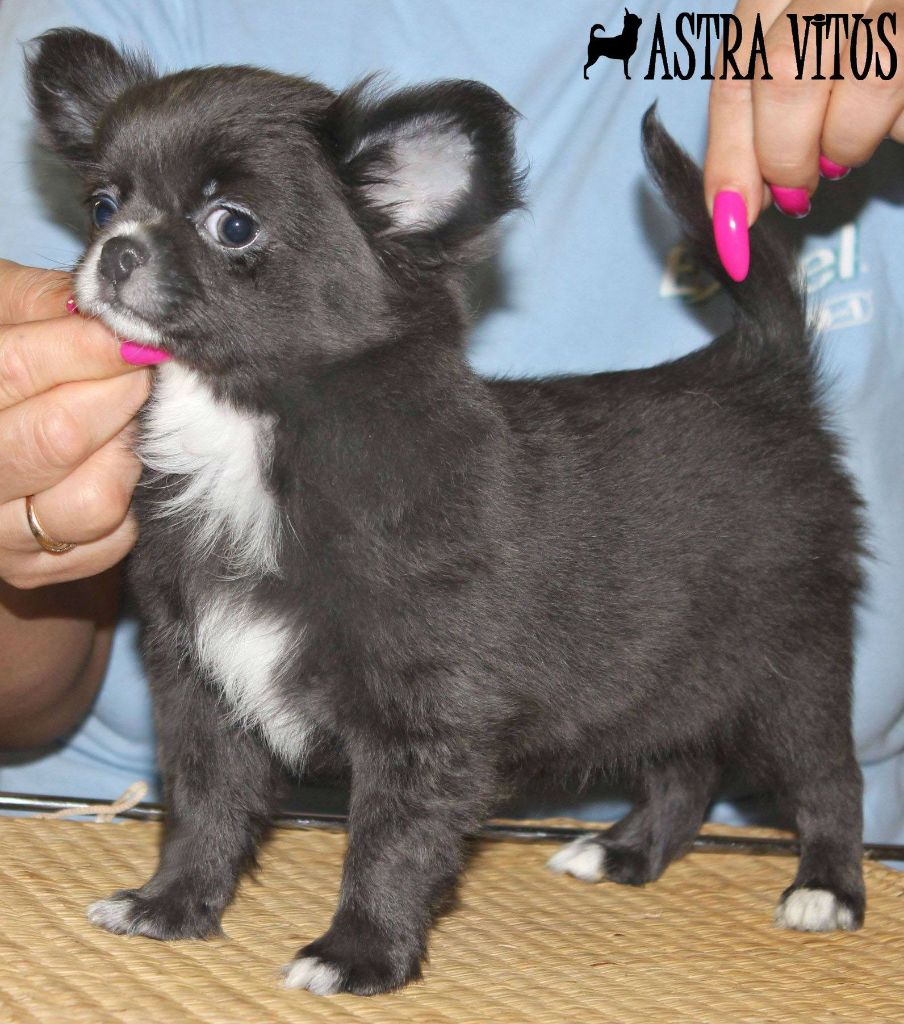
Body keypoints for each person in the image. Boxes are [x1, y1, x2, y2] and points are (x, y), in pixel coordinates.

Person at [0, 0, 902, 845]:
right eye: (107, 207)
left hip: (739, 845)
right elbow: (36, 690)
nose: (120, 244)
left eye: (232, 225)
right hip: (91, 815)